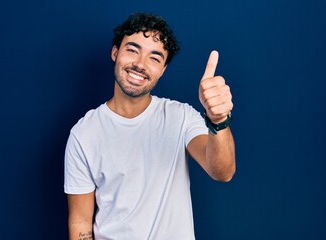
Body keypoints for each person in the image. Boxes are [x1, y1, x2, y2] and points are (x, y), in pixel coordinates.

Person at [64, 12, 235, 240]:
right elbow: (80, 222)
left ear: (162, 69)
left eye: (154, 58)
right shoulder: (83, 134)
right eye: (132, 50)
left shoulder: (180, 116)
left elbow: (222, 171)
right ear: (115, 53)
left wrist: (218, 121)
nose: (140, 64)